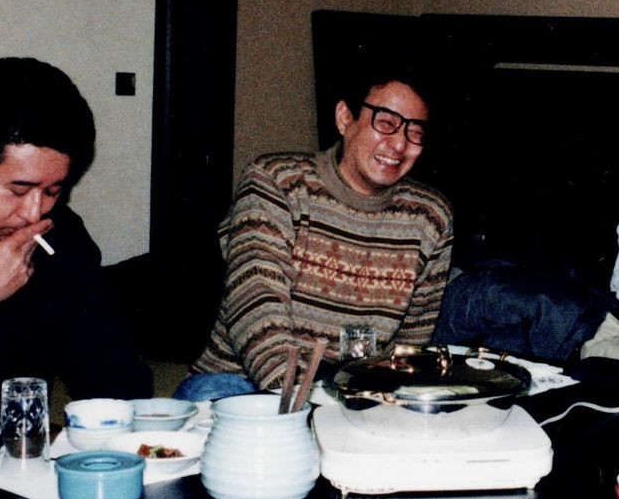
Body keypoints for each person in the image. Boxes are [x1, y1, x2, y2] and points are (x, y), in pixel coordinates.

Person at [184, 64, 454, 398]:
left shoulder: (430, 217)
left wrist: (378, 400)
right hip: (241, 381)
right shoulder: (276, 183)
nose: (399, 144)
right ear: (345, 118)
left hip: (354, 392)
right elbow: (258, 318)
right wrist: (313, 406)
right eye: (386, 123)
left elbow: (411, 345)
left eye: (415, 132)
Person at [0, 57, 151, 422]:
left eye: (52, 191)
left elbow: (116, 381)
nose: (34, 212)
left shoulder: (58, 237)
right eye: (19, 190)